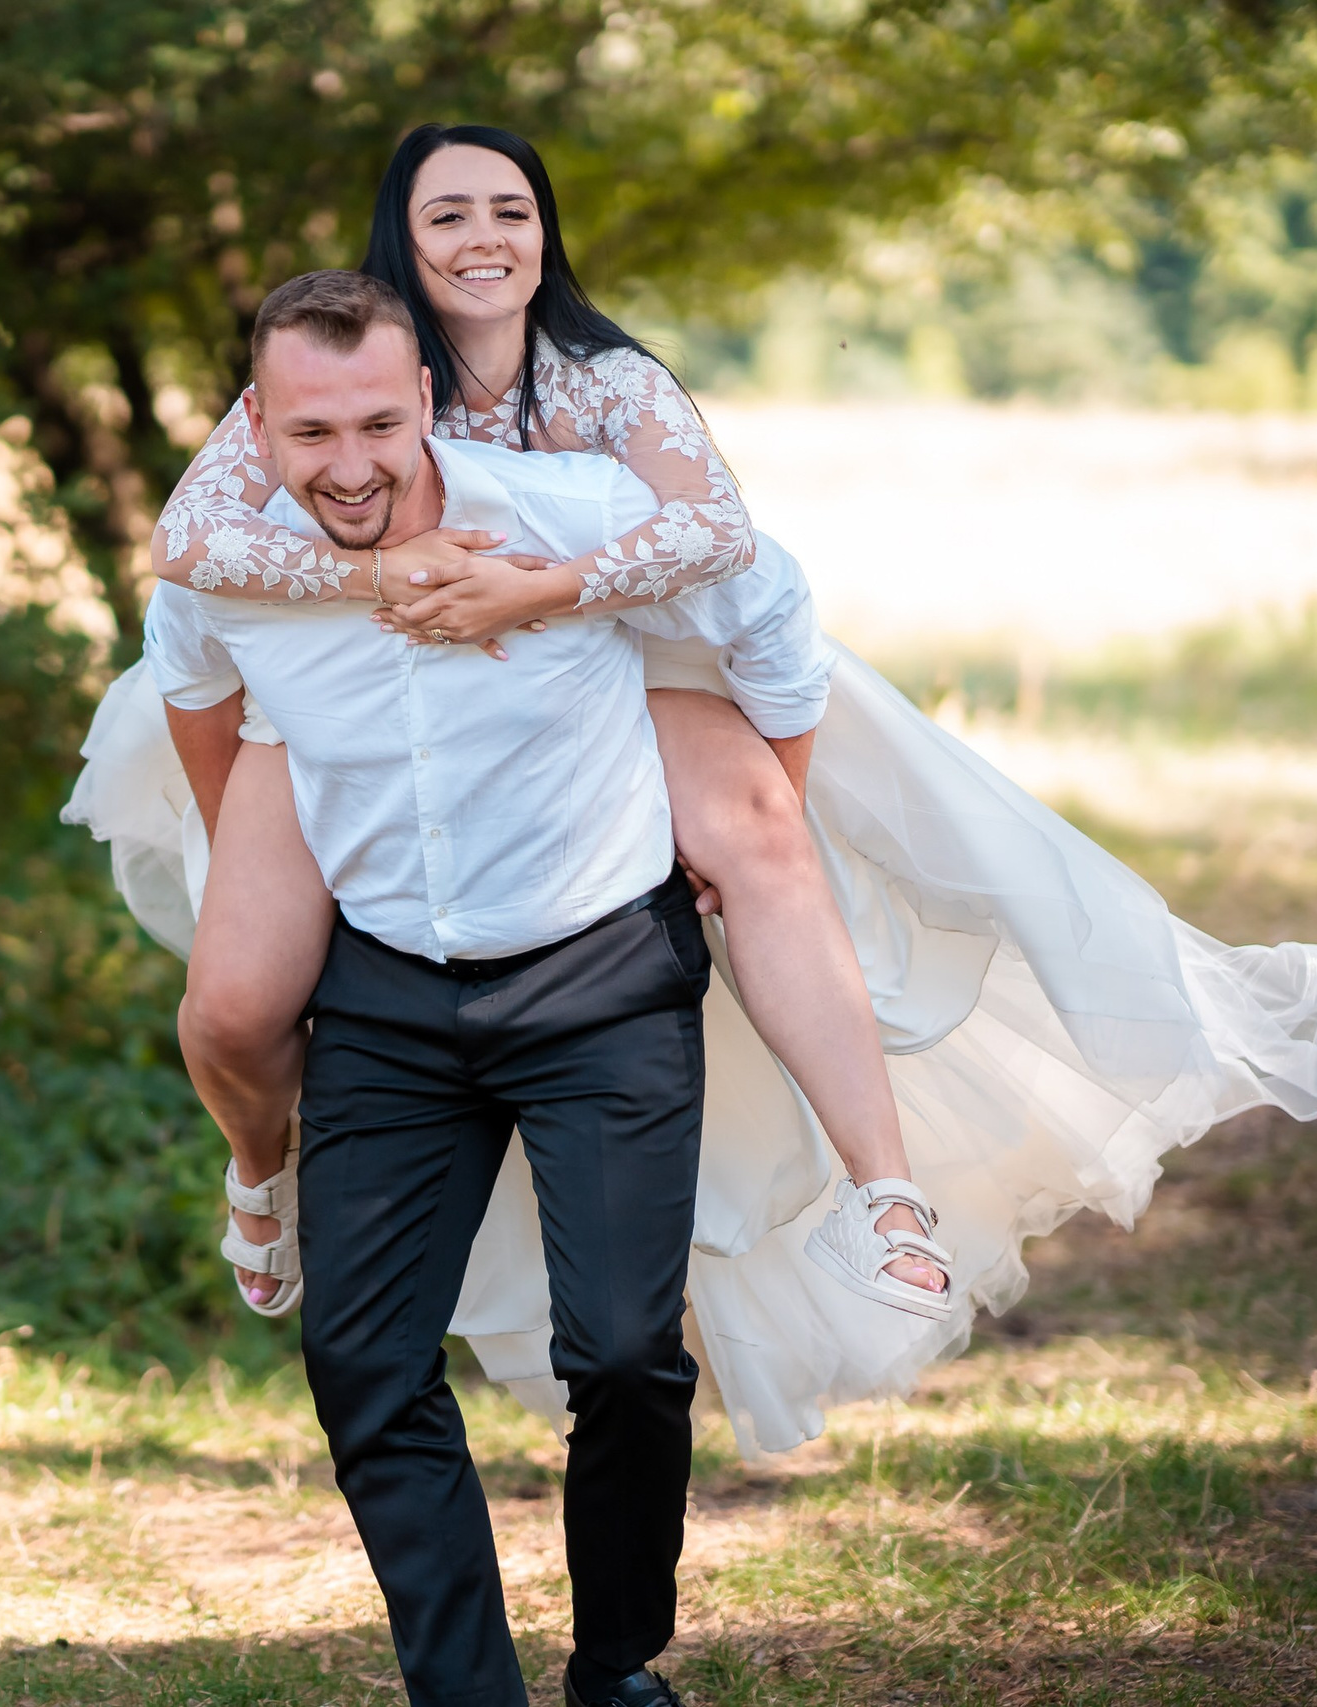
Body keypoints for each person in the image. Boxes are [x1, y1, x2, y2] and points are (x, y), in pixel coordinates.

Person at [147, 122, 952, 1324]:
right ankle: (263, 1179)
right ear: (401, 241)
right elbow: (189, 543)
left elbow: (721, 538)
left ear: (543, 231)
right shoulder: (347, 365)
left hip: (592, 661)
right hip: (355, 676)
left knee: (758, 828)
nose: (485, 238)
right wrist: (393, 575)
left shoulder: (605, 380)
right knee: (234, 1001)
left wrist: (531, 591)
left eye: (509, 211)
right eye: (448, 215)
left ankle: (884, 1193)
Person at [136, 265, 786, 1707]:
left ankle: (616, 1662)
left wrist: (757, 830)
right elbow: (201, 717)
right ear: (259, 424)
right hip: (387, 995)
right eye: (311, 435)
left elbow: (766, 602)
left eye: (379, 420)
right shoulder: (230, 571)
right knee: (361, 1352)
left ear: (425, 394)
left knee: (620, 1353)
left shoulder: (571, 514)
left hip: (603, 977)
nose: (351, 464)